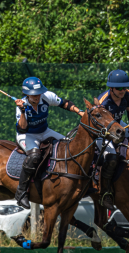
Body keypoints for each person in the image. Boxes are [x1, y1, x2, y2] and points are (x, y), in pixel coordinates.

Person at [14, 77, 84, 208]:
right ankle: (21, 192)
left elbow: (64, 103)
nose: (37, 96)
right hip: (27, 135)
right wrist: (23, 110)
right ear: (27, 94)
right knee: (34, 156)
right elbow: (22, 128)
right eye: (34, 94)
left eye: (39, 92)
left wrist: (80, 112)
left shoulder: (46, 97)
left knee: (69, 146)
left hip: (44, 131)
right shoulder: (22, 105)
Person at [96, 69, 129, 211]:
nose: (122, 90)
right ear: (111, 88)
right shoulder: (103, 101)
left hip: (119, 125)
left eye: (125, 87)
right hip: (102, 132)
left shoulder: (127, 96)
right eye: (119, 88)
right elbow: (96, 122)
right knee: (112, 157)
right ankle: (105, 193)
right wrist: (111, 135)